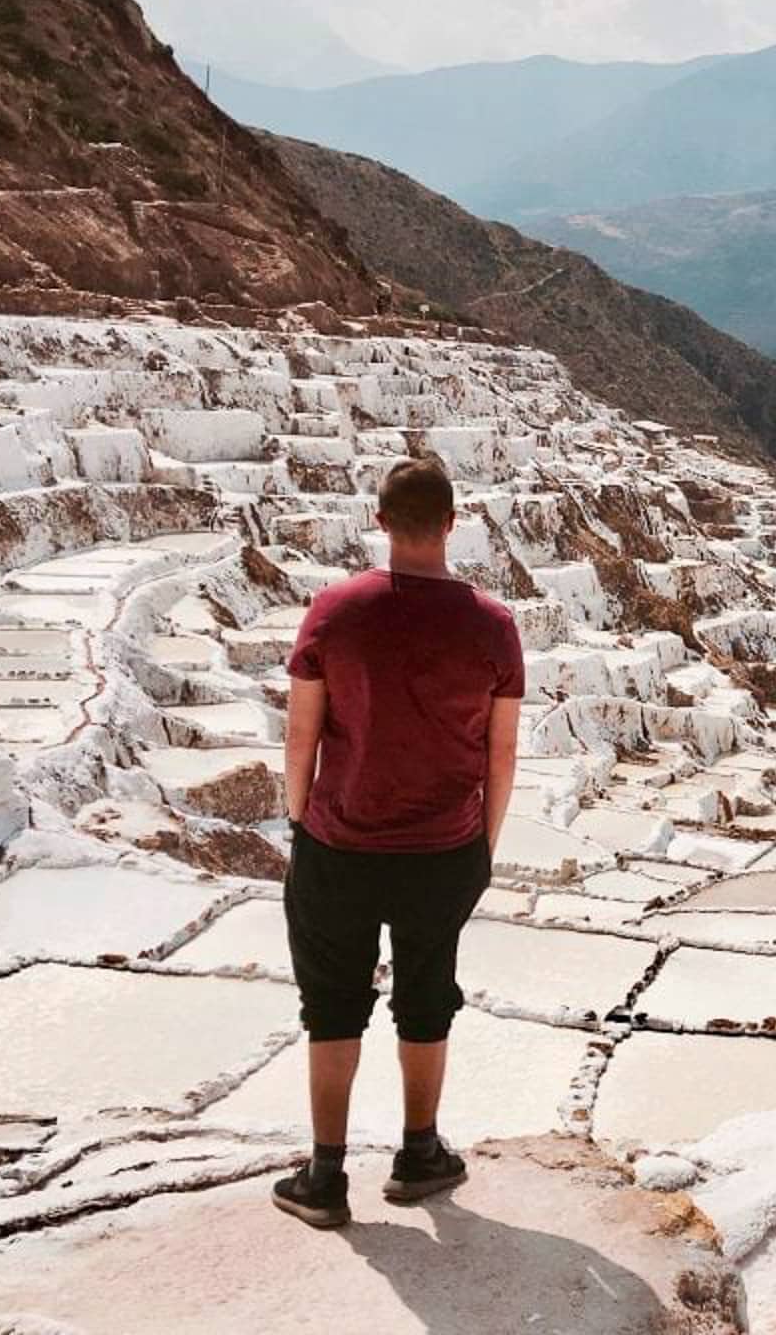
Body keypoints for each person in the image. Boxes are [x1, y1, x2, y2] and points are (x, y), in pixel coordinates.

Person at [271, 457, 524, 1229]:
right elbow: (502, 753)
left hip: (337, 845)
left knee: (332, 1003)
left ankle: (324, 1174)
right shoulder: (492, 625)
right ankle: (419, 1153)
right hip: (443, 850)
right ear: (452, 524)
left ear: (379, 522)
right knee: (427, 999)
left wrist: (299, 823)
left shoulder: (334, 612)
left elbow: (302, 736)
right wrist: (482, 848)